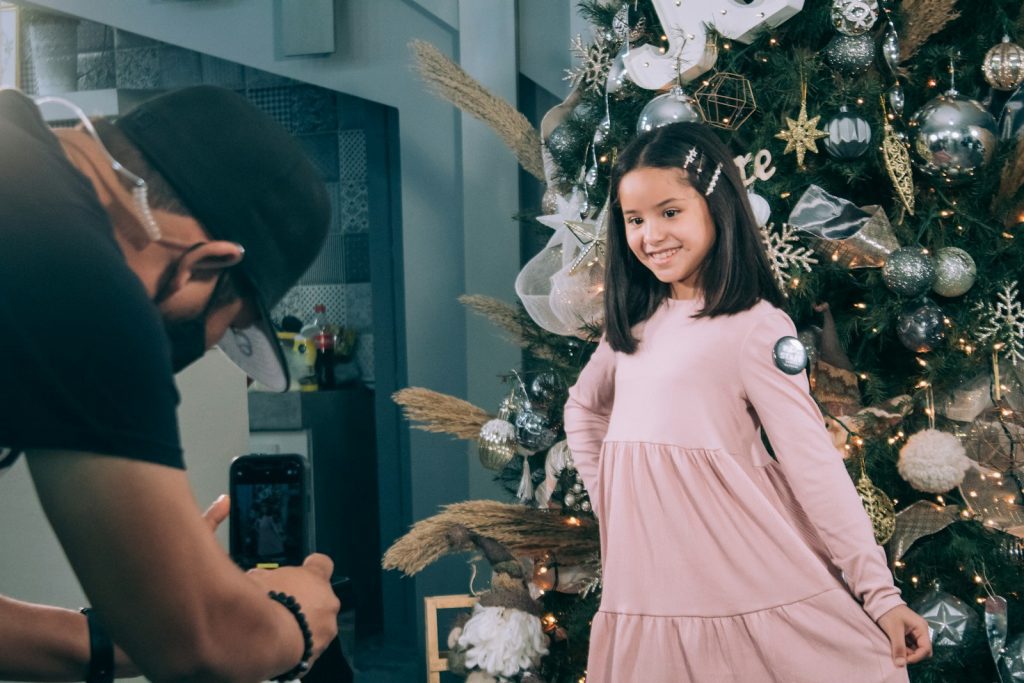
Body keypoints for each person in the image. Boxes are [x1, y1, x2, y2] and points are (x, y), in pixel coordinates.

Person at [563, 122, 932, 682]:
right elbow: (584, 409)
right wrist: (611, 493)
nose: (650, 235)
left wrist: (880, 596)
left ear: (717, 206)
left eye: (670, 212)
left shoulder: (757, 327)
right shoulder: (632, 325)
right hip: (646, 582)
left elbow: (812, 463)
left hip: (741, 564)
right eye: (634, 220)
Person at [0, 85, 341, 682]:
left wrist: (133, 623)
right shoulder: (84, 282)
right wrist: (296, 617)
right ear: (202, 266)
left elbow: (181, 631)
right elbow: (203, 648)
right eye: (226, 327)